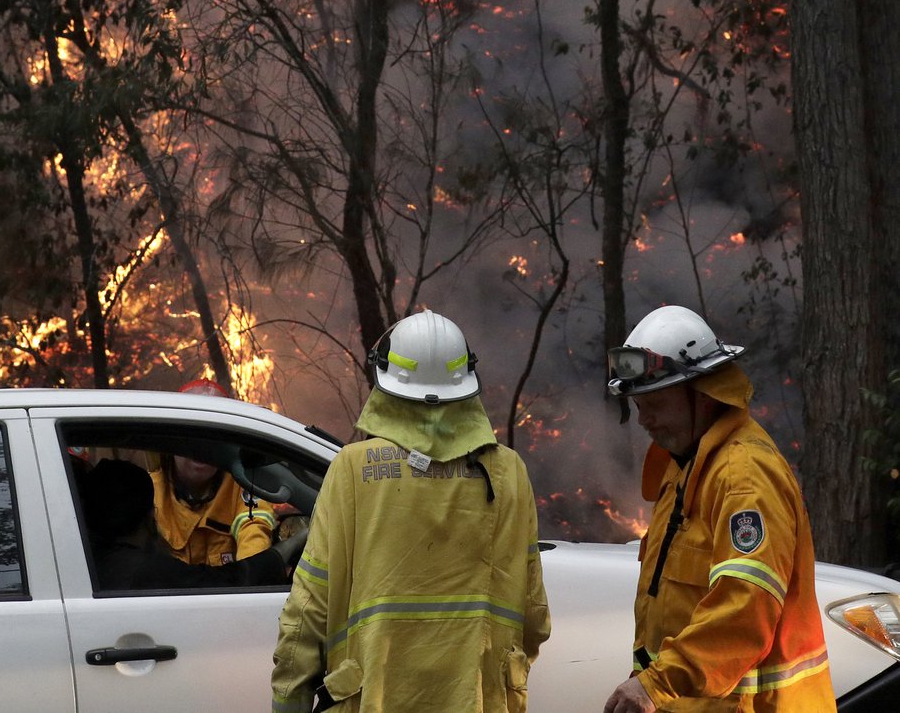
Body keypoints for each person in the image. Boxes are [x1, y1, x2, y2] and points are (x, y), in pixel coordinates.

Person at [271, 310, 551, 713]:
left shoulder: (353, 469)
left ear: (384, 384)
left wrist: (288, 700)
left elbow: (308, 608)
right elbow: (534, 614)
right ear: (467, 384)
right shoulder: (508, 472)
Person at [602, 305, 836, 712]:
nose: (644, 420)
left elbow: (745, 607)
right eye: (639, 406)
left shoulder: (744, 477)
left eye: (655, 402)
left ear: (702, 392)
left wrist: (657, 683)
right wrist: (649, 683)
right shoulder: (685, 470)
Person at [81, 458, 293, 590]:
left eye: (210, 442)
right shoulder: (149, 490)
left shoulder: (242, 488)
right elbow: (227, 583)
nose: (201, 452)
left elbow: (253, 528)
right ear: (149, 519)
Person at [150, 377, 278, 566]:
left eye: (213, 435)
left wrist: (252, 581)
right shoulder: (149, 492)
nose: (202, 447)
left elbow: (254, 534)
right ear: (172, 441)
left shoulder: (243, 488)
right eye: (192, 433)